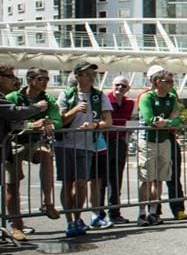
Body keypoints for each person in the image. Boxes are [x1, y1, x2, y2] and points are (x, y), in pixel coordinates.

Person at [56, 62, 113, 237]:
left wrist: (94, 125)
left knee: (81, 183)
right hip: (65, 144)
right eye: (87, 74)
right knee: (67, 183)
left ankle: (78, 218)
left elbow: (108, 121)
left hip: (87, 145)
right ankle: (69, 221)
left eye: (93, 74)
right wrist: (75, 110)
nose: (91, 77)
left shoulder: (99, 96)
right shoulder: (66, 94)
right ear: (78, 76)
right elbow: (59, 121)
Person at [0, 66, 54, 241]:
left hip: (31, 143)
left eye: (47, 79)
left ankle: (48, 203)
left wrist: (49, 123)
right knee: (11, 185)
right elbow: (13, 113)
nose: (14, 80)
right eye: (9, 76)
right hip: (12, 145)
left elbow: (57, 119)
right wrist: (35, 116)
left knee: (46, 155)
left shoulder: (48, 98)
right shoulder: (10, 97)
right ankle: (16, 226)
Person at [138, 70, 185, 226]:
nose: (172, 84)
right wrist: (164, 121)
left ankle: (153, 212)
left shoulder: (171, 98)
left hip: (164, 140)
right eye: (168, 81)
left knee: (159, 178)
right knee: (147, 178)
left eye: (172, 81)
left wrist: (167, 123)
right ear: (157, 81)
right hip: (148, 140)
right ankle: (142, 213)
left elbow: (179, 118)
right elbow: (149, 118)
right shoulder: (147, 97)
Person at [94, 75, 135, 226]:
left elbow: (128, 121)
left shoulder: (129, 103)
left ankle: (115, 212)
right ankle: (99, 214)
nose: (120, 88)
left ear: (128, 89)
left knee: (116, 179)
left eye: (123, 86)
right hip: (104, 142)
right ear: (112, 85)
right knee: (101, 180)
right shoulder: (104, 99)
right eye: (117, 85)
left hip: (119, 143)